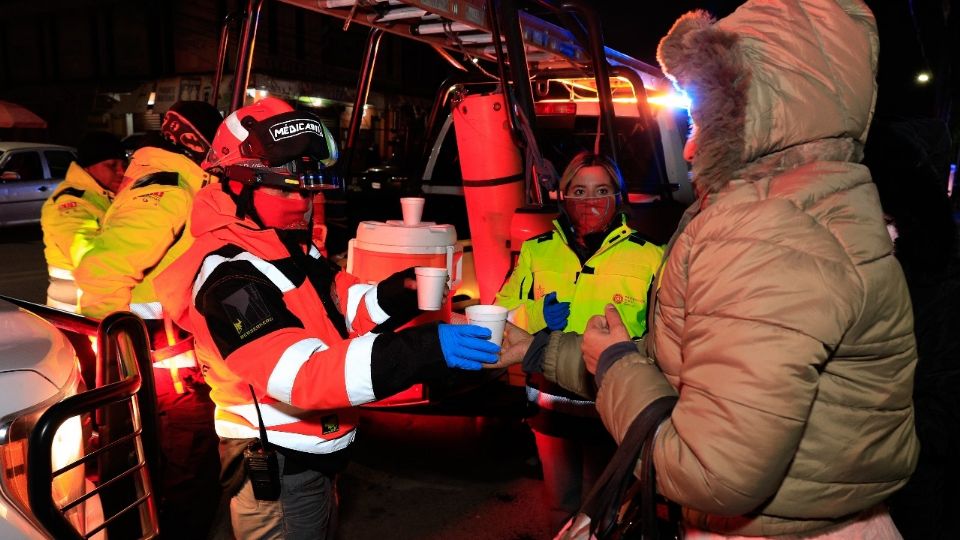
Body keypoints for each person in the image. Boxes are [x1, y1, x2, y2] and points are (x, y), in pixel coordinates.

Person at [499, 0, 919, 537]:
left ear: (757, 116)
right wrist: (538, 348)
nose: (692, 145)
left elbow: (711, 470)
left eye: (703, 119)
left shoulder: (768, 234)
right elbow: (689, 373)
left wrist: (613, 362)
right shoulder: (819, 209)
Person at [153, 97, 500, 539]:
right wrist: (424, 351)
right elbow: (302, 375)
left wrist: (398, 294)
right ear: (236, 185)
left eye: (309, 189)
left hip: (314, 455)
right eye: (285, 189)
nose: (303, 202)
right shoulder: (229, 279)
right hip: (277, 462)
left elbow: (344, 308)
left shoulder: (290, 247)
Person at [73, 100, 225, 537]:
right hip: (163, 365)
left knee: (181, 473)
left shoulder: (175, 182)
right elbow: (103, 273)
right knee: (183, 475)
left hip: (166, 359)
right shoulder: (168, 188)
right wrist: (119, 368)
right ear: (198, 145)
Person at [494, 151, 663, 532]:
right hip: (550, 395)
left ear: (618, 196)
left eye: (602, 190)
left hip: (609, 398)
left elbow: (660, 333)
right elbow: (498, 313)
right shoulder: (538, 250)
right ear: (564, 196)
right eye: (580, 190)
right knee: (559, 504)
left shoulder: (651, 255)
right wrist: (536, 314)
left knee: (597, 508)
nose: (590, 201)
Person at [865, 116, 960, 540]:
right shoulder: (862, 276)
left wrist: (864, 431)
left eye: (887, 220)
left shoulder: (940, 286)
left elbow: (943, 412)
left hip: (916, 490)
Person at [40, 131, 126, 312]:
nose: (121, 171)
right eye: (111, 165)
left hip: (91, 305)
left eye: (123, 164)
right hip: (75, 310)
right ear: (89, 167)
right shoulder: (69, 202)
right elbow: (85, 256)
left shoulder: (103, 195)